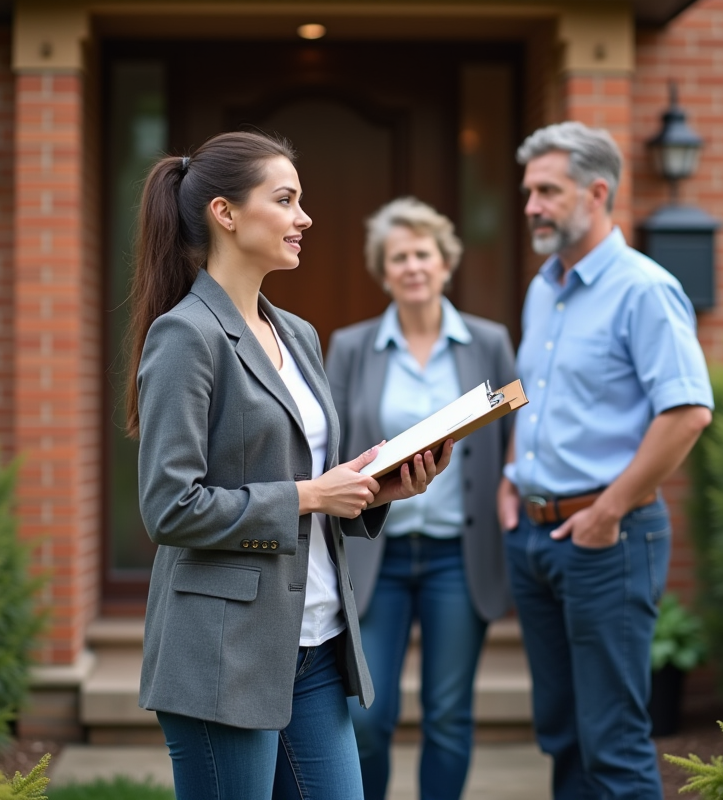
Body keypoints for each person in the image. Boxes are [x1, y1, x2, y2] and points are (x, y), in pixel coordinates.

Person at [125, 131, 452, 800]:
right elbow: (170, 508)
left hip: (318, 643)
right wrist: (309, 495)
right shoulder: (186, 335)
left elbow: (311, 481)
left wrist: (375, 488)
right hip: (225, 651)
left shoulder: (297, 333)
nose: (303, 218)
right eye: (285, 200)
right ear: (225, 213)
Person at [497, 121, 714, 799]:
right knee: (561, 734)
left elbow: (688, 413)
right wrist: (509, 478)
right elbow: (530, 394)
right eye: (529, 191)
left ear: (596, 193)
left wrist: (607, 512)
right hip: (534, 538)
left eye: (547, 191)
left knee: (613, 742)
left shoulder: (645, 289)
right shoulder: (543, 287)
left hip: (606, 539)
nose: (530, 206)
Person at [326, 197, 517, 800]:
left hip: (458, 556)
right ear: (383, 272)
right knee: (367, 718)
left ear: (445, 263)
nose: (412, 266)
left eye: (423, 254)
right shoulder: (351, 346)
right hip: (375, 555)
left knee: (449, 715)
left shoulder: (488, 342)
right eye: (399, 257)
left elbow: (513, 436)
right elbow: (330, 445)